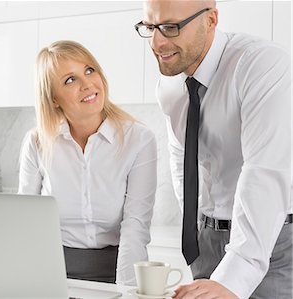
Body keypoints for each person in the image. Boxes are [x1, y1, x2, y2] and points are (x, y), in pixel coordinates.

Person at [135, 0, 292, 298]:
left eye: (170, 27)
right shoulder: (170, 85)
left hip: (271, 244)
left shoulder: (262, 64)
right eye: (150, 27)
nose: (157, 42)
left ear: (211, 20)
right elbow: (182, 158)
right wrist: (195, 228)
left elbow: (265, 171)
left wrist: (235, 276)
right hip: (206, 241)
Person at [18, 40, 157, 285]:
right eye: (70, 80)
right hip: (49, 273)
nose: (88, 84)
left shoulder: (139, 140)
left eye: (89, 70)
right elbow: (23, 221)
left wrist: (125, 290)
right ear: (53, 99)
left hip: (116, 271)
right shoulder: (37, 142)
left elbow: (135, 225)